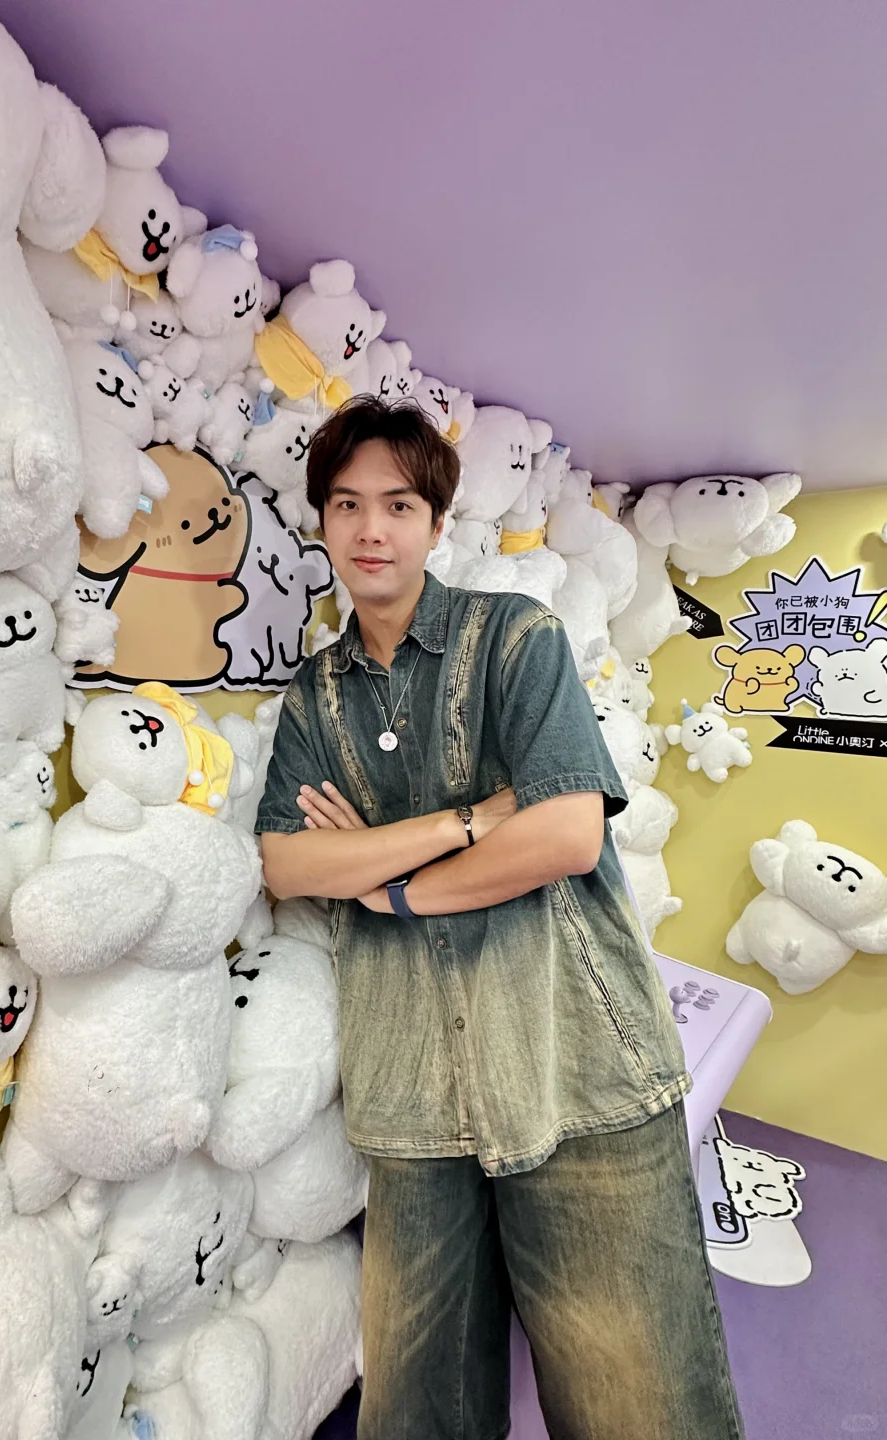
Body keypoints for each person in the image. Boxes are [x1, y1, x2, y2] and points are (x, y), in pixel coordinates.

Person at [254, 396, 743, 1440]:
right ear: (324, 521)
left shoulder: (516, 638)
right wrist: (464, 822)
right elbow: (288, 863)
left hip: (574, 1060)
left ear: (436, 523)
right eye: (347, 504)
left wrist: (385, 881)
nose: (372, 528)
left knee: (638, 1404)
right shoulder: (313, 699)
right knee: (415, 1408)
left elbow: (564, 835)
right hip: (411, 1086)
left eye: (398, 504)